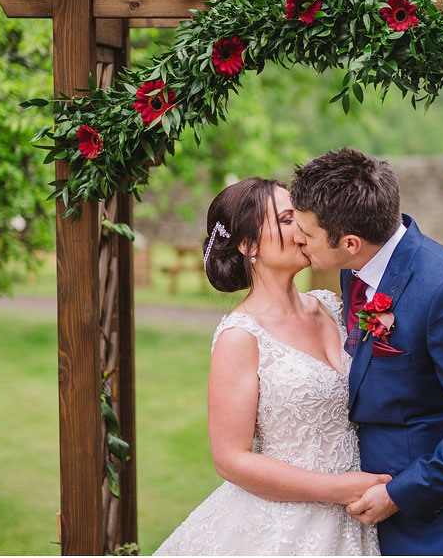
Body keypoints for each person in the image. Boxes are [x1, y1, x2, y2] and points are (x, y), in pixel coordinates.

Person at [289, 148, 443, 555]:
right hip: (376, 514)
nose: (297, 239)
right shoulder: (356, 269)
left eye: (306, 235)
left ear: (349, 242)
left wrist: (401, 493)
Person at [155, 177, 385, 555]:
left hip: (356, 518)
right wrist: (337, 488)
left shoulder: (333, 306)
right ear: (248, 245)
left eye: (300, 216)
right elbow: (231, 461)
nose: (303, 229)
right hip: (284, 526)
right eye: (286, 219)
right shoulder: (240, 337)